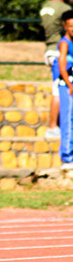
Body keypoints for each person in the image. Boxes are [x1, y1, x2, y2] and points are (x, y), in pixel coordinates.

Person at [40, 0, 72, 139]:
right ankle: (53, 128)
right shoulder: (64, 8)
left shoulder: (45, 6)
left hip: (49, 49)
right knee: (59, 90)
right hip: (60, 51)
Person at [55, 10, 73, 170]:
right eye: (71, 26)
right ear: (65, 26)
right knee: (68, 120)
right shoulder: (64, 43)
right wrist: (69, 84)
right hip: (68, 86)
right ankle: (67, 157)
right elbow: (62, 66)